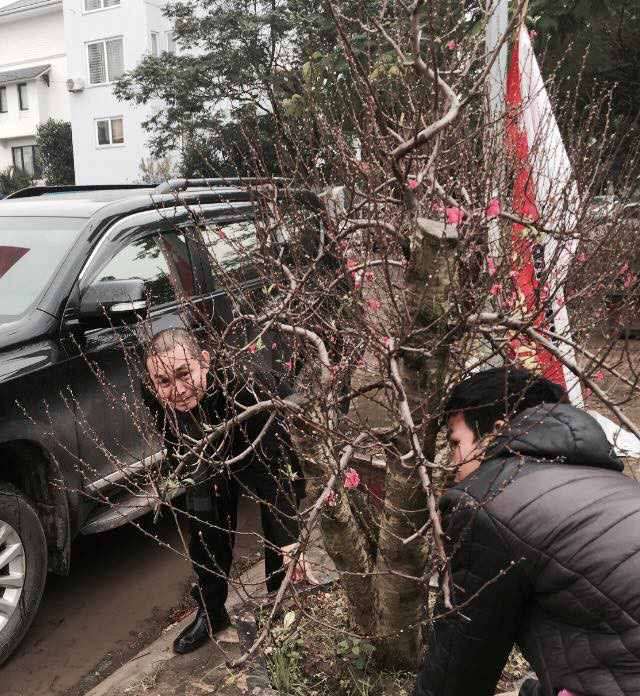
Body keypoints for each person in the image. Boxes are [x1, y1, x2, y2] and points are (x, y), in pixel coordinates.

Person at [414, 367, 640, 696]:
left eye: (455, 443)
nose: (452, 464)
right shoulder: (611, 485)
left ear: (497, 431)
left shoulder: (485, 502)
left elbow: (454, 678)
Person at [144, 328, 317, 654]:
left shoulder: (246, 386)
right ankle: (211, 611)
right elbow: (170, 435)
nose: (177, 389)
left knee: (279, 525)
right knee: (205, 524)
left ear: (204, 362)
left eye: (184, 374)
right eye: (164, 382)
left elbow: (273, 476)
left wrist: (291, 541)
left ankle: (279, 605)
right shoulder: (153, 390)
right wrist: (186, 468)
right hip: (205, 442)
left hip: (266, 436)